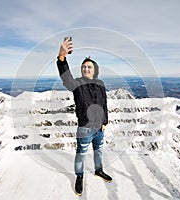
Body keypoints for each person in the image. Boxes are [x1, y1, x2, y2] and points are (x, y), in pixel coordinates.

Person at [56, 38, 112, 196]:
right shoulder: (77, 84)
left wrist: (105, 121)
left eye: (89, 67)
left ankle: (98, 170)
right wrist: (62, 58)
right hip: (85, 128)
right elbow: (66, 78)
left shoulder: (100, 84)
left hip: (99, 127)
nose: (86, 69)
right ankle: (79, 177)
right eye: (84, 67)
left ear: (95, 70)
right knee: (81, 154)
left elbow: (104, 104)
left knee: (98, 151)